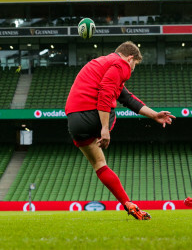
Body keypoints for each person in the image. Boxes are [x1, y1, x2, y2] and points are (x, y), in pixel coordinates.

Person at [65, 41, 175, 220]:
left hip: (74, 121)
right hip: (91, 114)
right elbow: (106, 94)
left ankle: (128, 204)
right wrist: (105, 129)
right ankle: (128, 203)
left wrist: (154, 115)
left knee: (100, 165)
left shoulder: (104, 64)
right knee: (111, 111)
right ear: (130, 58)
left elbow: (127, 98)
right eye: (134, 66)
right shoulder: (120, 64)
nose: (132, 70)